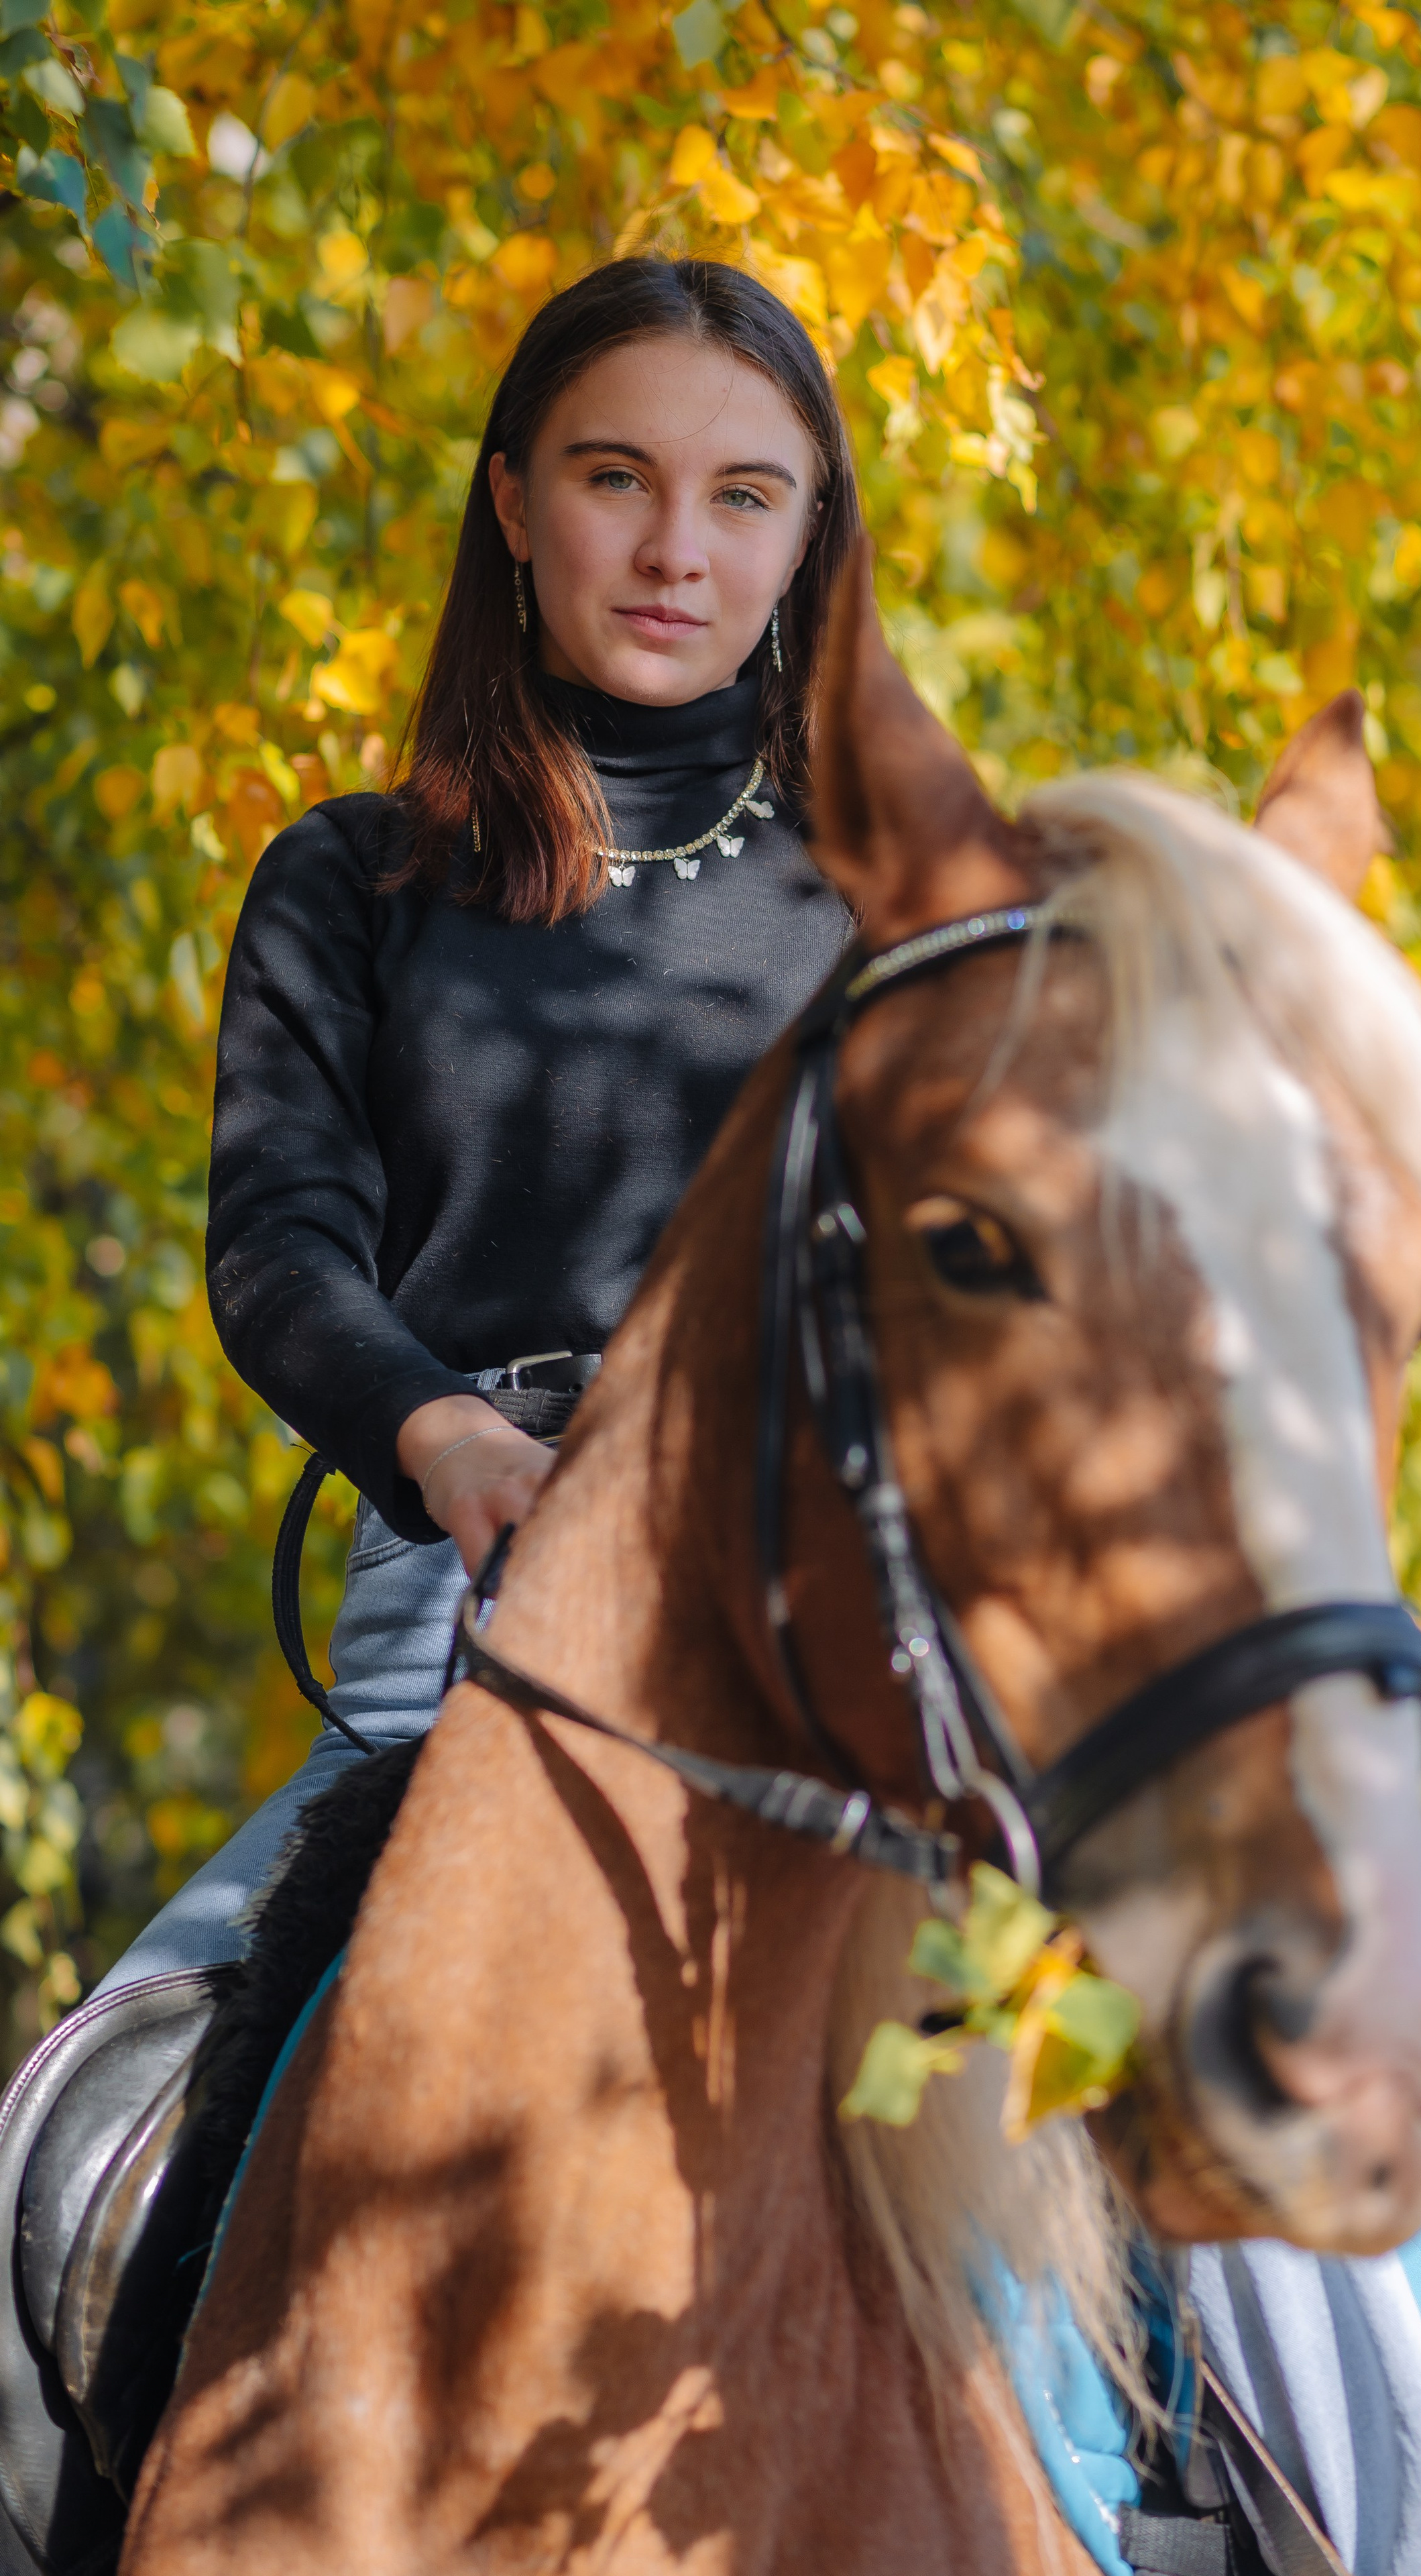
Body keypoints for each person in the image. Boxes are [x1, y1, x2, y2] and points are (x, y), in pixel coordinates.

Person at [98, 256, 860, 1991]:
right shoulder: (353, 880)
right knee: (74, 2154)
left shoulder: (901, 908)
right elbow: (282, 1248)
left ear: (808, 537)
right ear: (513, 500)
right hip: (448, 1610)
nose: (679, 550)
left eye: (745, 497)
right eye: (617, 479)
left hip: (840, 1636)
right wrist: (442, 1436)